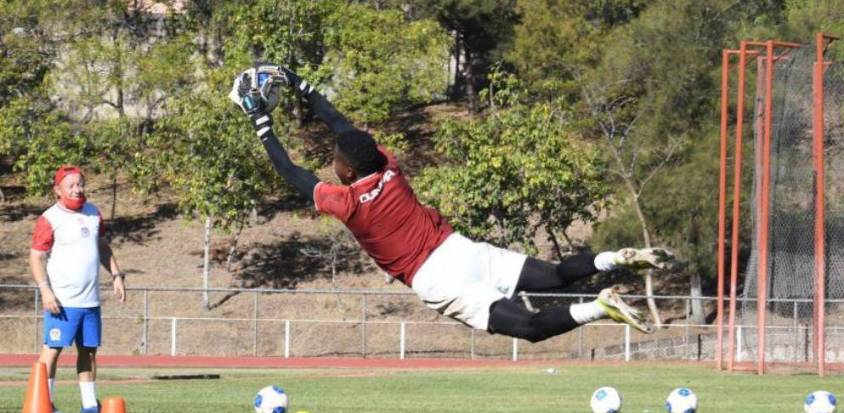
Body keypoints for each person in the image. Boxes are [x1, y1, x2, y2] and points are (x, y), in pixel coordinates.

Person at [230, 64, 675, 342]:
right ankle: (614, 258)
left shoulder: (346, 202)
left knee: (528, 327)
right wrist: (298, 82)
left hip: (436, 278)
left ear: (345, 171)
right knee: (555, 274)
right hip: (460, 249)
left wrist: (259, 119)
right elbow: (341, 125)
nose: (334, 160)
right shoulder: (389, 166)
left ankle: (600, 307)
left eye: (335, 160)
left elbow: (289, 170)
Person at [29, 166, 126, 413]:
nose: (77, 189)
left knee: (89, 351)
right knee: (52, 351)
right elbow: (36, 257)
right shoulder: (50, 218)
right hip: (62, 301)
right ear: (57, 190)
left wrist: (116, 275)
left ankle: (90, 404)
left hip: (90, 301)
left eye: (80, 184)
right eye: (71, 185)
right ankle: (44, 403)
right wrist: (46, 291)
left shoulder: (93, 213)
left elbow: (102, 247)